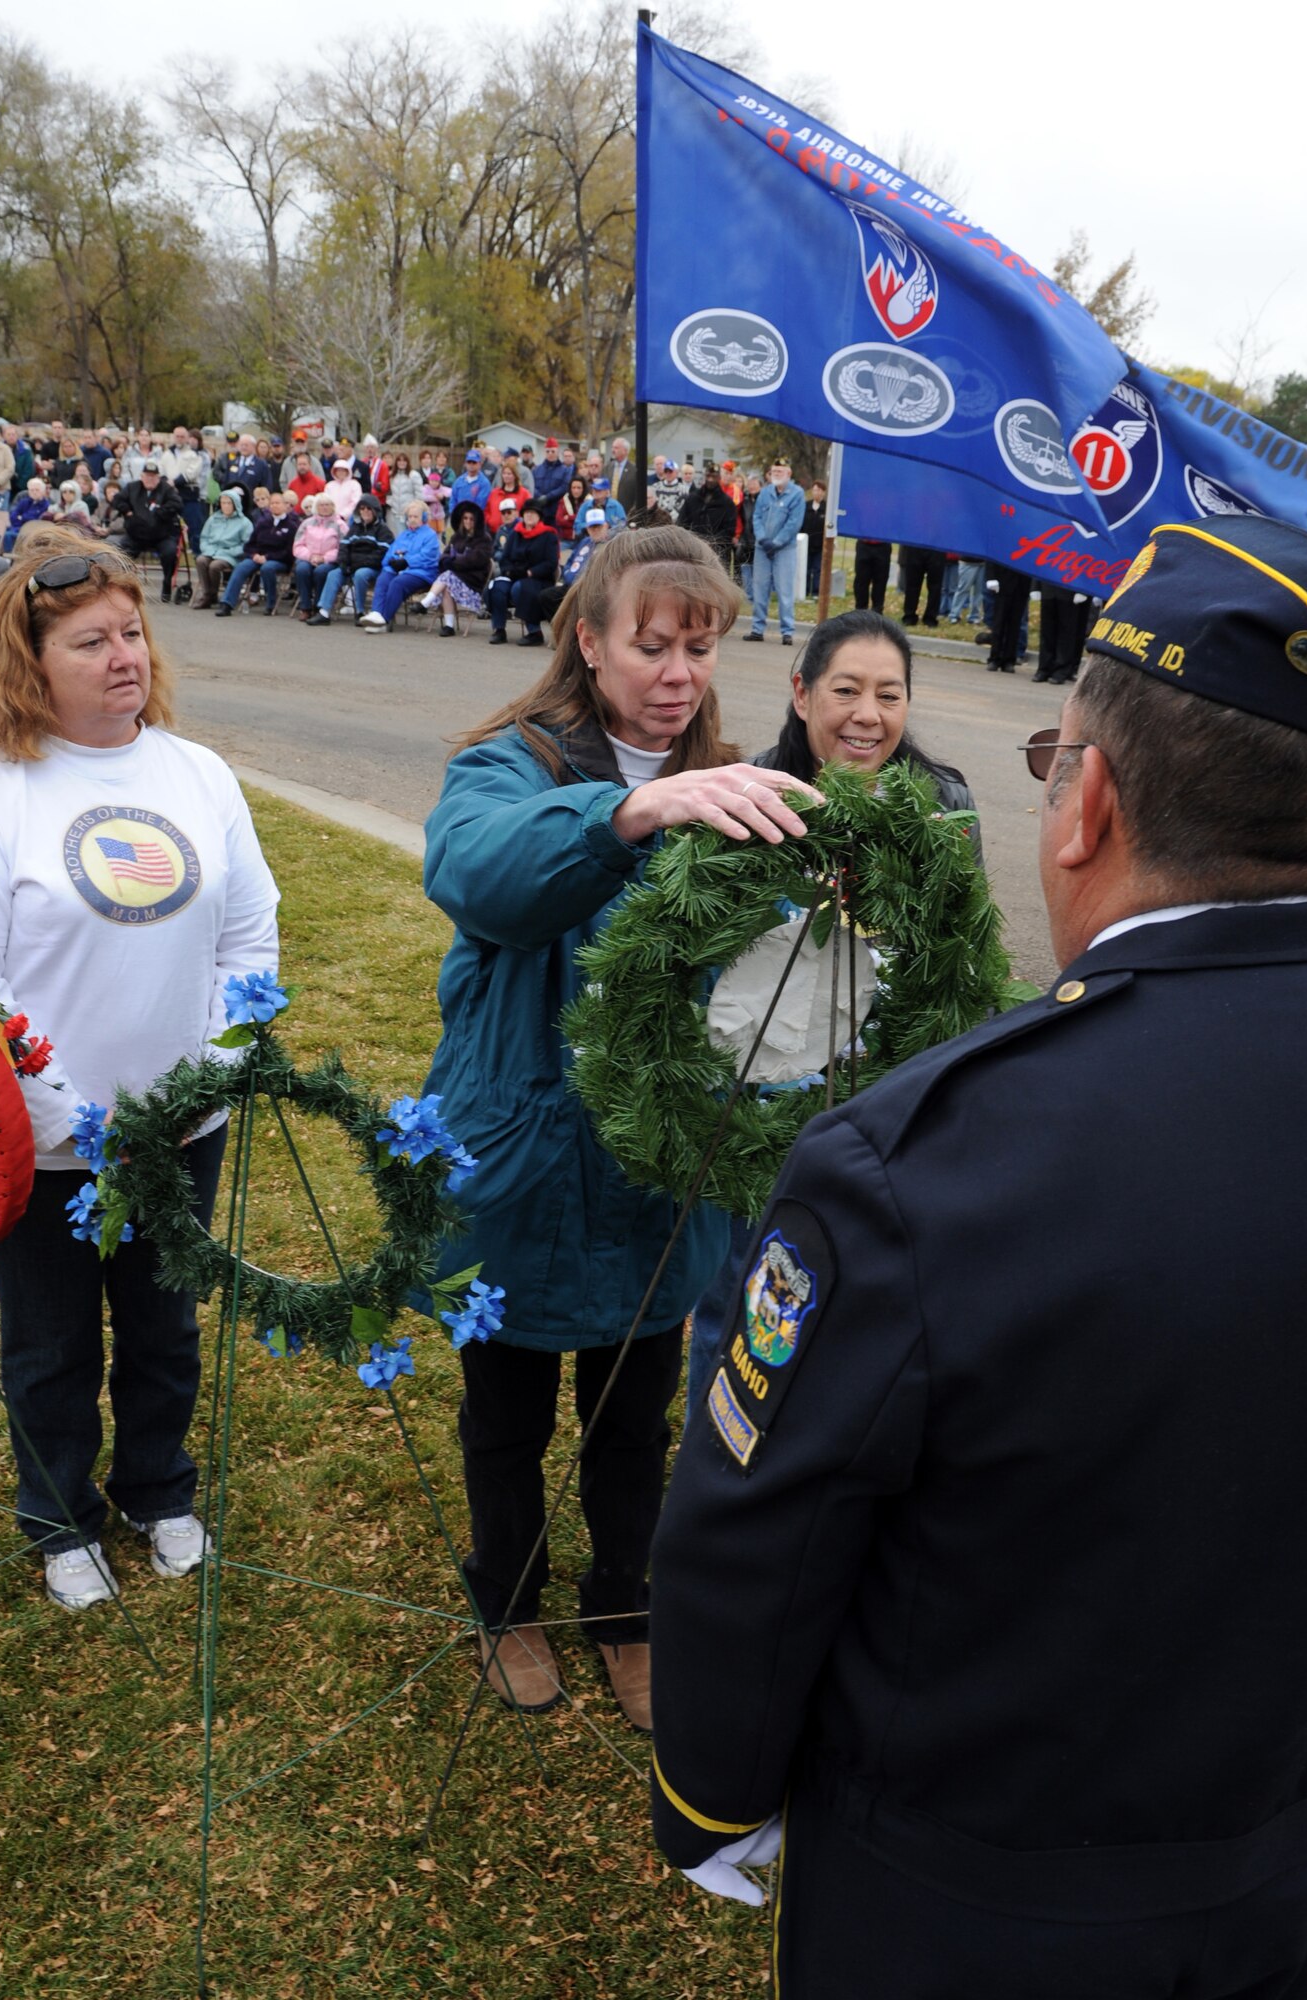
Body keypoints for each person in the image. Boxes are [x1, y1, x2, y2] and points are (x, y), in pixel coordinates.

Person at [652, 515, 1307, 1999]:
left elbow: (757, 1543)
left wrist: (714, 1801)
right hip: (1287, 1857)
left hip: (966, 1898)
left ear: (1084, 803)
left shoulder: (918, 1166)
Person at [422, 522, 823, 1728]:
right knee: (503, 1410)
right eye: (650, 644)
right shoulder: (508, 764)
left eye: (698, 649)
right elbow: (482, 874)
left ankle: (623, 1609)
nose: (676, 674)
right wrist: (629, 814)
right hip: (522, 1154)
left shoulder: (736, 787)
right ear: (587, 642)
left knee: (631, 1410)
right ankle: (506, 1601)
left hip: (661, 1165)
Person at [0, 534, 279, 1611]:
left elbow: (250, 940)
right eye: (89, 641)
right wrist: (72, 1114)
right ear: (29, 661)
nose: (123, 656)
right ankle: (60, 1514)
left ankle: (159, 1487)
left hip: (182, 1133)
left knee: (164, 1326)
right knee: (52, 1340)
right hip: (38, 1145)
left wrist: (203, 1083)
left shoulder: (195, 771)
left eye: (131, 632)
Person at [683, 605, 980, 1415]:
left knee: (860, 1311)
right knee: (737, 1304)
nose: (867, 714)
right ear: (801, 693)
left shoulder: (941, 803)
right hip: (759, 1094)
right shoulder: (752, 801)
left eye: (889, 694)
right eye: (845, 689)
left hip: (886, 1096)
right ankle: (717, 1462)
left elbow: (958, 955)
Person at [744, 459, 805, 645]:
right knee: (759, 588)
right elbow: (757, 517)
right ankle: (757, 629)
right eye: (774, 471)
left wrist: (777, 542)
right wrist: (762, 539)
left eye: (780, 471)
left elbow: (794, 523)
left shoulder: (797, 494)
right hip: (762, 548)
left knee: (784, 590)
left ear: (789, 473)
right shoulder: (765, 492)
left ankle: (787, 631)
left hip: (785, 549)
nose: (776, 474)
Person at [485, 494, 560, 646]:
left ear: (539, 516)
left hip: (538, 578)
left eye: (533, 513)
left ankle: (534, 632)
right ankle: (499, 630)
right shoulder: (515, 534)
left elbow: (551, 563)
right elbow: (504, 558)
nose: (530, 516)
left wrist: (530, 572)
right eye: (527, 513)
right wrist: (508, 571)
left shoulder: (548, 536)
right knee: (496, 587)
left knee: (520, 589)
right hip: (514, 575)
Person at [106, 460, 183, 605]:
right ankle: (123, 586)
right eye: (147, 476)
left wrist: (161, 512)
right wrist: (127, 511)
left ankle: (167, 583)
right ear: (142, 476)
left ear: (158, 478)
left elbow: (177, 504)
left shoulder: (166, 489)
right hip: (136, 535)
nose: (150, 479)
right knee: (121, 553)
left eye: (153, 477)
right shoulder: (132, 487)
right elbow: (117, 499)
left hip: (161, 535)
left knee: (170, 552)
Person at [310, 493, 392, 625]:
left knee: (360, 574)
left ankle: (359, 612)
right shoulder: (355, 528)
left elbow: (381, 555)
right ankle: (324, 613)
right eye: (362, 508)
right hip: (352, 566)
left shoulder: (383, 530)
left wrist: (356, 564)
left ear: (375, 510)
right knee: (333, 574)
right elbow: (344, 547)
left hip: (371, 568)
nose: (365, 511)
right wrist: (343, 563)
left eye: (368, 508)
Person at [216, 489, 298, 616]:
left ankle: (271, 604)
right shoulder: (263, 522)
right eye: (272, 503)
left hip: (279, 560)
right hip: (257, 557)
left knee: (267, 568)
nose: (275, 506)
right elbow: (249, 545)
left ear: (285, 505)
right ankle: (227, 603)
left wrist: (268, 557)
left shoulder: (292, 526)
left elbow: (289, 552)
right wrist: (254, 555)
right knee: (241, 567)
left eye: (278, 503)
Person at [360, 499, 439, 630]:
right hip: (400, 570)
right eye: (410, 516)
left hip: (422, 573)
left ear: (424, 518)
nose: (412, 519)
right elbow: (391, 552)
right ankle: (376, 613)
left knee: (398, 583)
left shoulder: (430, 535)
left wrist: (406, 561)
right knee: (383, 579)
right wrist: (391, 562)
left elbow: (427, 557)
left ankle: (383, 620)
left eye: (416, 516)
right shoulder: (404, 534)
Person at [418, 499, 492, 635]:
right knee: (447, 584)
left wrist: (453, 561)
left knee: (447, 577)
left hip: (472, 584)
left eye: (471, 519)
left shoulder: (484, 539)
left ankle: (425, 603)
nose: (468, 521)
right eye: (465, 518)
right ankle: (449, 626)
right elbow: (444, 556)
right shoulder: (457, 537)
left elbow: (476, 561)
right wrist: (451, 561)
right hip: (454, 580)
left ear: (477, 521)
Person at [536, 508, 611, 625]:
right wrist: (567, 574)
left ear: (606, 526)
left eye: (599, 527)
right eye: (592, 527)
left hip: (592, 589)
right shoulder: (585, 542)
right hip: (571, 585)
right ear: (587, 529)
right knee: (546, 596)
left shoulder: (610, 546)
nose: (595, 530)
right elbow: (570, 561)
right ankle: (561, 631)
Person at [192, 488, 252, 608]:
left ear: (235, 504)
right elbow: (204, 537)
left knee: (215, 566)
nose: (226, 506)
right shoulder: (213, 519)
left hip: (230, 554)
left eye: (229, 503)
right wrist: (206, 549)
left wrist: (232, 552)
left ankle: (210, 595)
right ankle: (208, 594)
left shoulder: (244, 522)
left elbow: (247, 544)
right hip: (211, 551)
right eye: (223, 503)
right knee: (201, 560)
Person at [290, 491, 344, 621]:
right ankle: (305, 607)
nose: (324, 507)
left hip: (329, 560)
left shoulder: (340, 525)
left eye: (327, 504)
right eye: (321, 505)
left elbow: (342, 548)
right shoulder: (307, 523)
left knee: (321, 572)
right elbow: (297, 545)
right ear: (316, 507)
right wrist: (310, 557)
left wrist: (324, 558)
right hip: (308, 557)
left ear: (333, 506)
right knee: (302, 570)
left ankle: (319, 607)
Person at [1034, 580, 1092, 684]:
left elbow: (1086, 564)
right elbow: (1039, 566)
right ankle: (1044, 668)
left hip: (1070, 588)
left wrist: (1083, 590)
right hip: (1048, 588)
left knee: (1066, 633)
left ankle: (1061, 670)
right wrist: (1035, 586)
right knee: (1046, 631)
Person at [677, 463, 739, 561]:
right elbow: (682, 522)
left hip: (716, 553)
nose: (710, 479)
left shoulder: (727, 503)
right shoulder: (693, 498)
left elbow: (729, 530)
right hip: (692, 550)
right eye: (708, 476)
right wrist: (691, 541)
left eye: (714, 477)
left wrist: (712, 542)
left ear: (719, 477)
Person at [898, 542, 946, 627]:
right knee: (912, 583)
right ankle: (909, 615)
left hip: (937, 546)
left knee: (935, 586)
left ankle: (930, 617)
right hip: (916, 544)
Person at [0, 477, 51, 553]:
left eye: (37, 490)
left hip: (31, 531)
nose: (34, 492)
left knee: (7, 535)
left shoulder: (46, 505)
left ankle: (8, 557)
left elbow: (35, 521)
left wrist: (21, 517)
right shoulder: (24, 502)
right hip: (17, 528)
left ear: (42, 491)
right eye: (31, 490)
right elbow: (13, 517)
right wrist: (23, 519)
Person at [386, 450, 424, 530]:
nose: (401, 462)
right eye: (399, 460)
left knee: (412, 536)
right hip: (397, 513)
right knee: (401, 536)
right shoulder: (392, 476)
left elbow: (419, 494)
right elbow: (389, 493)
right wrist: (391, 503)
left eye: (404, 460)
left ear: (407, 462)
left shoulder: (414, 475)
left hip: (410, 514)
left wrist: (415, 509)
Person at [485, 462, 526, 532]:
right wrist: (490, 521)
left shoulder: (523, 493)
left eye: (509, 474)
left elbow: (527, 512)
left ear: (515, 476)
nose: (506, 476)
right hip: (494, 531)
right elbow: (487, 510)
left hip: (514, 532)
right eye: (504, 473)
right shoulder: (494, 493)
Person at [451, 450, 492, 514]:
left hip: (476, 517)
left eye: (474, 462)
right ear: (465, 464)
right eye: (469, 462)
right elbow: (453, 500)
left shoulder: (484, 483)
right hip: (459, 517)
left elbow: (481, 503)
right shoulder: (459, 481)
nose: (471, 465)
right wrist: (453, 514)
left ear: (479, 464)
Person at [555, 475, 590, 546]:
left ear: (583, 489)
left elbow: (588, 521)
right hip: (566, 540)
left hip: (584, 539)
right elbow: (559, 521)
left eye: (579, 488)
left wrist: (569, 517)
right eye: (573, 488)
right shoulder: (564, 500)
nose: (576, 490)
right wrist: (578, 520)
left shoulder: (589, 501)